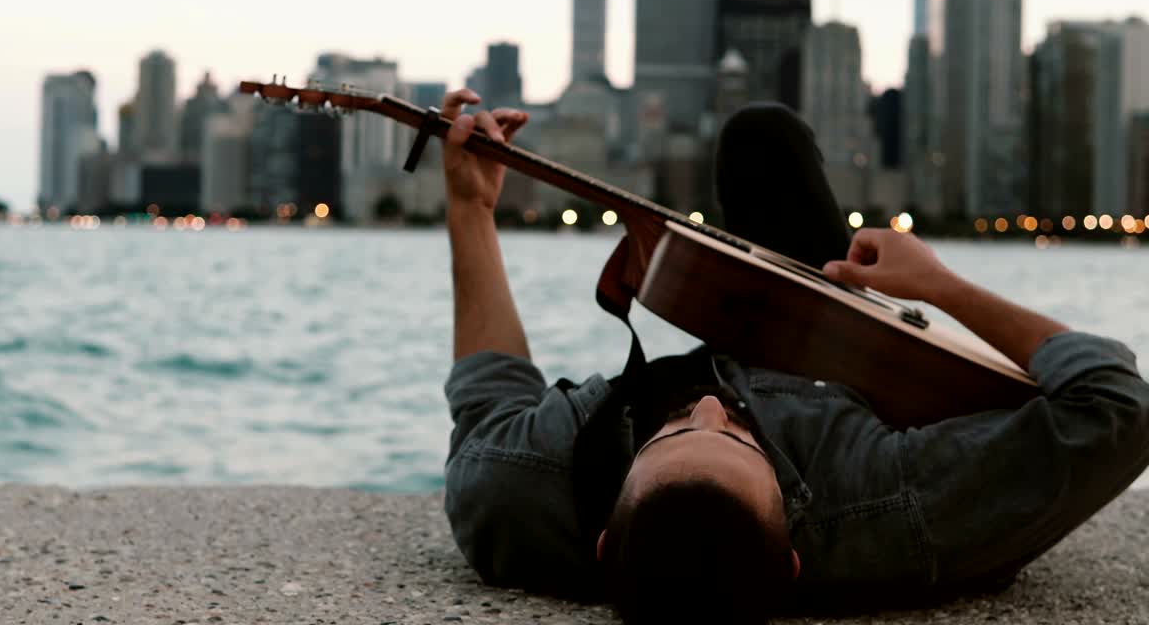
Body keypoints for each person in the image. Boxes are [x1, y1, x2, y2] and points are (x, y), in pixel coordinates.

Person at [436, 89, 1149, 624]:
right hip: (833, 357)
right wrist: (937, 286)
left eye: (670, 433)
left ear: (600, 537)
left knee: (753, 136)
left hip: (725, 326)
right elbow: (1116, 406)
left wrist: (469, 207)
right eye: (742, 444)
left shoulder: (516, 488)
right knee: (766, 136)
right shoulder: (884, 508)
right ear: (795, 557)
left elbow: (489, 394)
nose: (710, 406)